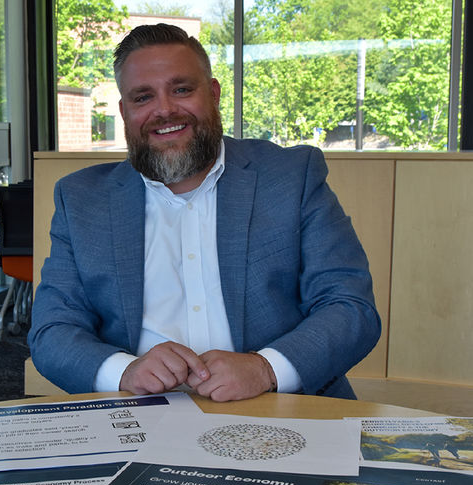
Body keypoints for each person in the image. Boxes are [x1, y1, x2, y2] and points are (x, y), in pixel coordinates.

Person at [28, 23, 381, 401]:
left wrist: (265, 368)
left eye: (181, 89)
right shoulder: (81, 198)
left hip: (282, 404)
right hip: (140, 412)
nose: (164, 110)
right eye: (143, 97)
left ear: (213, 94)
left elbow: (350, 307)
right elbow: (53, 330)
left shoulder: (292, 177)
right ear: (125, 111)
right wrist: (126, 372)